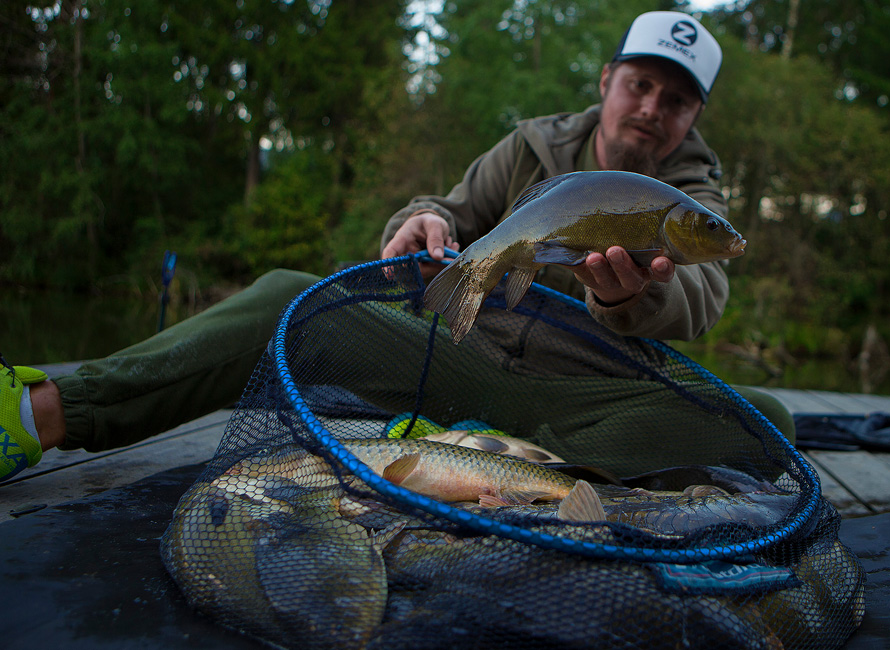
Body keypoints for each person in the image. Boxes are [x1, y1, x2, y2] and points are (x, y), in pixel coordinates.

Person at [1, 11, 795, 483]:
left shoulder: (694, 193)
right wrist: (420, 223)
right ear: (606, 79)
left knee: (768, 420)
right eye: (641, 85)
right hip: (459, 349)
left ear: (694, 116)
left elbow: (701, 302)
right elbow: (447, 207)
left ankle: (512, 463)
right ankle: (37, 416)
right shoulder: (530, 147)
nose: (653, 110)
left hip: (586, 394)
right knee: (288, 294)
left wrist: (631, 295)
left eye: (678, 99)